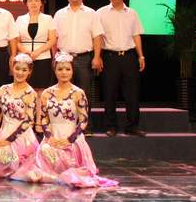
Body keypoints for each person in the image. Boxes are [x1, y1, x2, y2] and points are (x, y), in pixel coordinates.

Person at [11, 53, 118, 187]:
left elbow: (83, 120)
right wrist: (49, 137)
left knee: (71, 167)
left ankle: (63, 173)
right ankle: (53, 174)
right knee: (44, 153)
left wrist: (69, 140)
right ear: (55, 70)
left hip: (73, 138)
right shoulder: (47, 93)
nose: (64, 72)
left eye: (67, 69)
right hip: (52, 138)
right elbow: (44, 119)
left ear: (72, 71)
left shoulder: (78, 93)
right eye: (60, 69)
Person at [53, 0, 105, 133]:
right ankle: (65, 127)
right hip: (63, 59)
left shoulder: (91, 13)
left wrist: (97, 57)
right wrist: (54, 57)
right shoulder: (59, 14)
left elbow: (97, 37)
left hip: (84, 58)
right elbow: (54, 37)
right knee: (64, 93)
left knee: (84, 93)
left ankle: (85, 127)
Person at [97, 0, 146, 137]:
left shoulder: (132, 13)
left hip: (129, 56)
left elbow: (136, 35)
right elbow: (98, 37)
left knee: (132, 93)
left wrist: (141, 55)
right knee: (109, 93)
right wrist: (98, 56)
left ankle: (132, 126)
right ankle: (111, 126)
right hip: (110, 57)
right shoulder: (101, 13)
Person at [0, 54, 39, 178]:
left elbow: (29, 121)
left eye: (24, 70)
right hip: (3, 131)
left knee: (19, 165)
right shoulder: (3, 89)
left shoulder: (31, 93)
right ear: (12, 68)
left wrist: (8, 141)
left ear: (29, 72)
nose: (20, 73)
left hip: (21, 135)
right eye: (17, 68)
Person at [15, 0, 56, 93]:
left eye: (37, 0)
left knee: (41, 88)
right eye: (30, 1)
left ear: (41, 3)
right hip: (24, 58)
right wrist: (25, 52)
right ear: (26, 3)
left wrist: (38, 52)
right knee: (24, 87)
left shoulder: (48, 18)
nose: (33, 3)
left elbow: (52, 39)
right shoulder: (20, 19)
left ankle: (40, 105)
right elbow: (16, 41)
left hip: (43, 57)